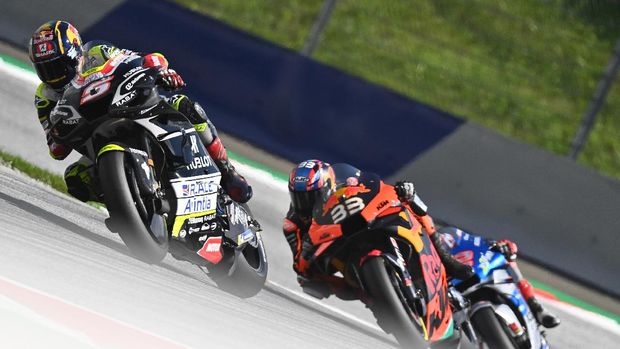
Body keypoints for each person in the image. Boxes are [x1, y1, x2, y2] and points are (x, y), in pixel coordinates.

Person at [29, 20, 251, 203]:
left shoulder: (98, 52)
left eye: (58, 67)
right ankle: (131, 204)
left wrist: (164, 72)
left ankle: (227, 170)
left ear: (75, 53)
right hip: (96, 143)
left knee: (185, 106)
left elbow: (141, 59)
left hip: (129, 109)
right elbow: (55, 149)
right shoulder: (44, 97)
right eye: (45, 69)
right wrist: (61, 130)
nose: (53, 76)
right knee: (76, 178)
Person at [282, 159, 474, 298]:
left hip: (363, 224)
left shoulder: (346, 181)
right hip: (338, 251)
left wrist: (401, 192)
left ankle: (446, 259)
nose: (305, 204)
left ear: (328, 187)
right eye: (299, 198)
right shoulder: (293, 224)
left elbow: (375, 186)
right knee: (309, 283)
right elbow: (300, 265)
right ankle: (374, 297)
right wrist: (307, 250)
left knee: (407, 201)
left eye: (312, 196)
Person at [438, 227, 560, 328]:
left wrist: (498, 246)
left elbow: (477, 241)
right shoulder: (427, 256)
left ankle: (536, 307)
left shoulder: (447, 235)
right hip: (452, 291)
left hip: (476, 273)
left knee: (507, 260)